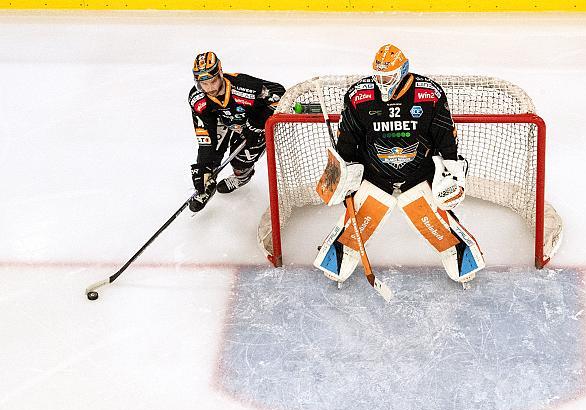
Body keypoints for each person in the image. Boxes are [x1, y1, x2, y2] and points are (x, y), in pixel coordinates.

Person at [314, 44, 485, 286]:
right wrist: (344, 170)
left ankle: (458, 252)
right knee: (365, 212)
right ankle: (342, 252)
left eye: (389, 76)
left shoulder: (428, 93)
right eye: (379, 76)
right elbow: (348, 137)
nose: (383, 81)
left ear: (403, 71)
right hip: (374, 173)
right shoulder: (359, 95)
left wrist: (451, 167)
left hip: (418, 172)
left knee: (426, 213)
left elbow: (445, 134)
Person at [188, 51, 285, 212]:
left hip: (251, 121)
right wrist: (203, 167)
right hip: (223, 121)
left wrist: (257, 124)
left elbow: (280, 94)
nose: (210, 88)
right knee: (208, 158)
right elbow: (205, 135)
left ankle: (242, 175)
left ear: (220, 73)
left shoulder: (243, 86)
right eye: (204, 84)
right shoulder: (197, 99)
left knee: (241, 158)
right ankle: (207, 183)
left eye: (213, 81)